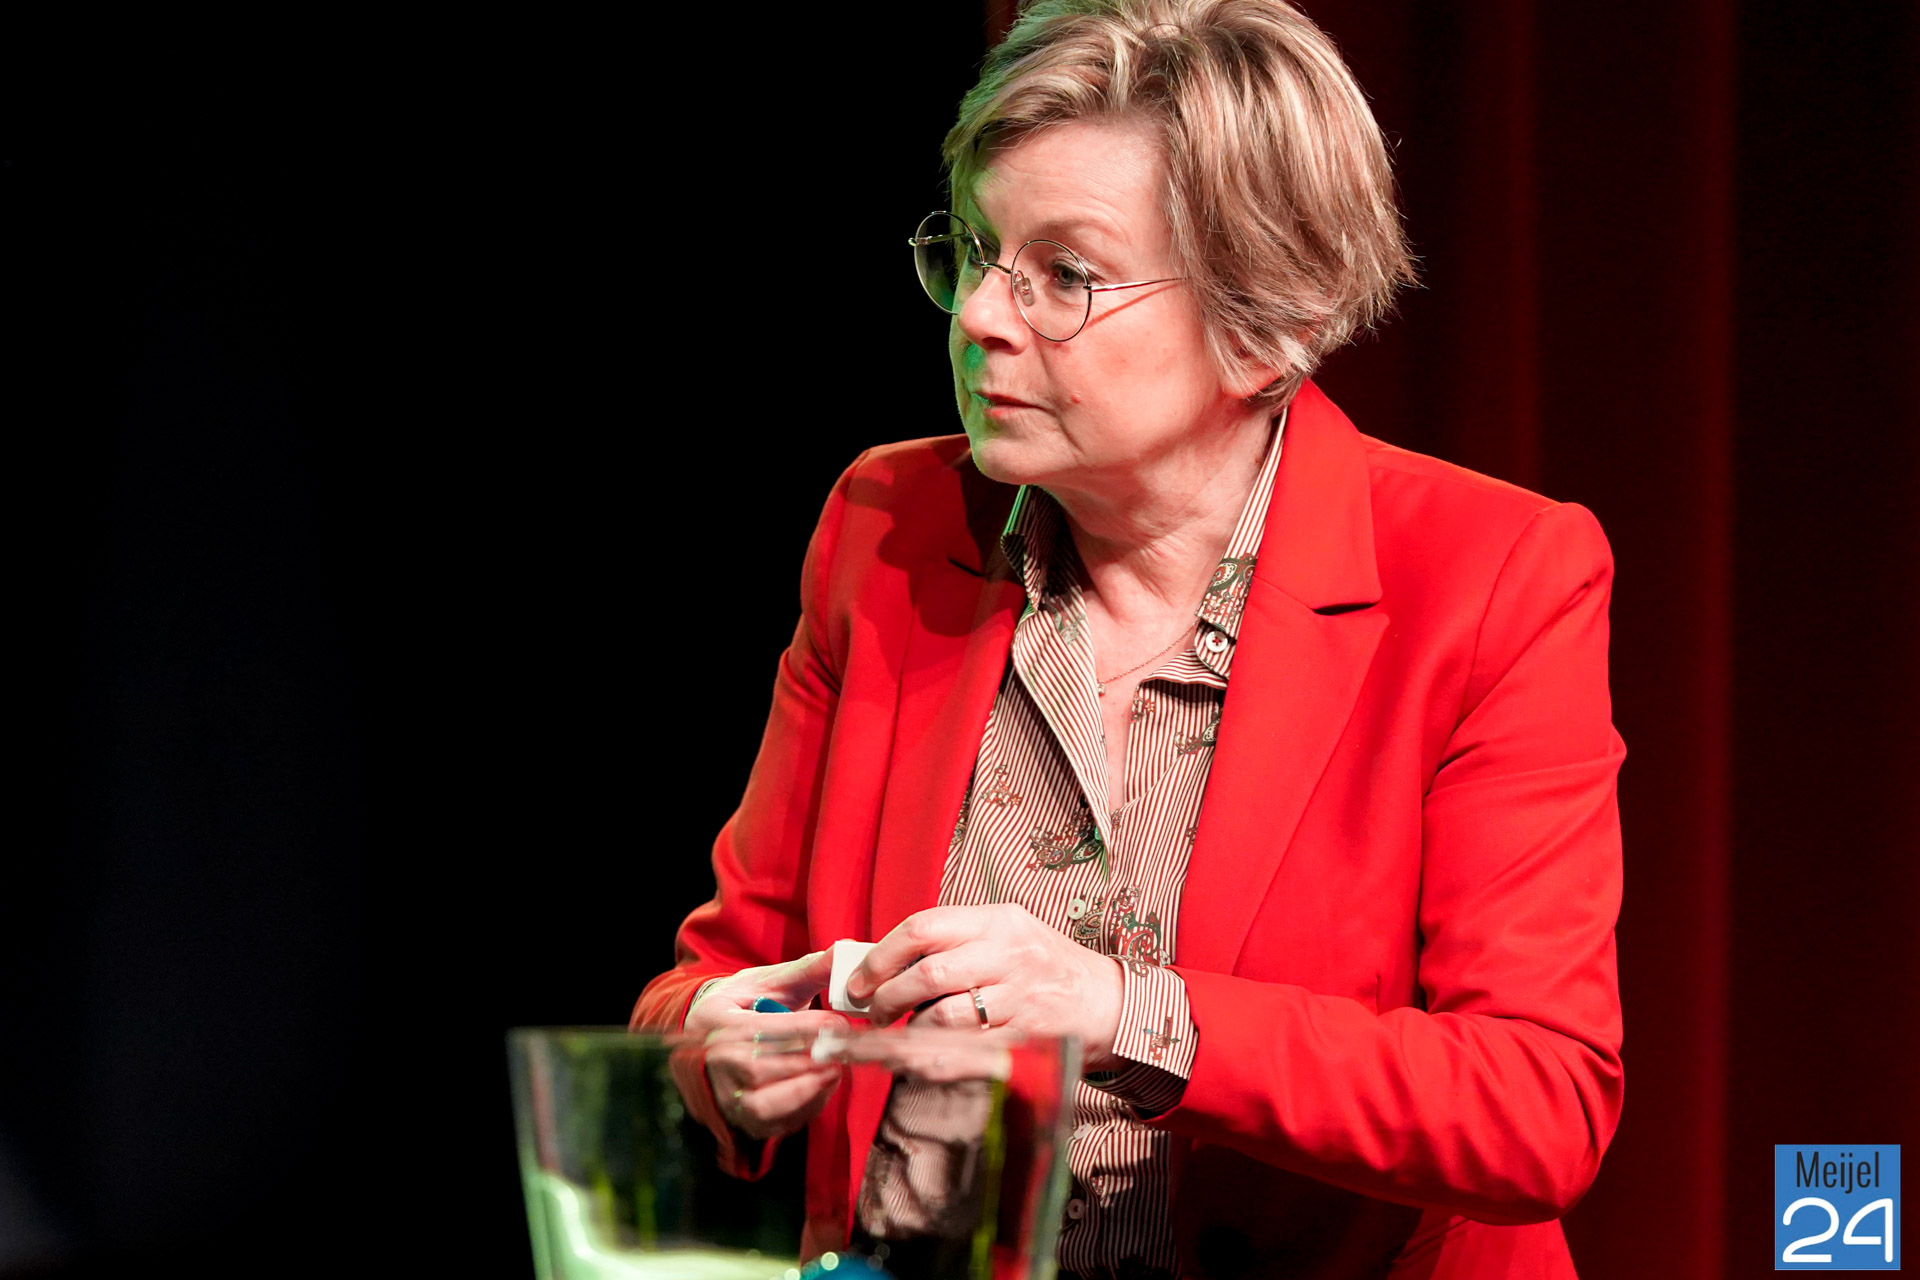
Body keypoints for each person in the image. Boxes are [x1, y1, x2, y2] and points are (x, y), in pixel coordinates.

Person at [633, 1, 1625, 1275]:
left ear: (1261, 323)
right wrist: (717, 1044)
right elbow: (715, 975)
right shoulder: (885, 528)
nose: (981, 317)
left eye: (1066, 275)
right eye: (976, 250)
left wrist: (1122, 1010)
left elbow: (1536, 1102)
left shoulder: (1491, 576)